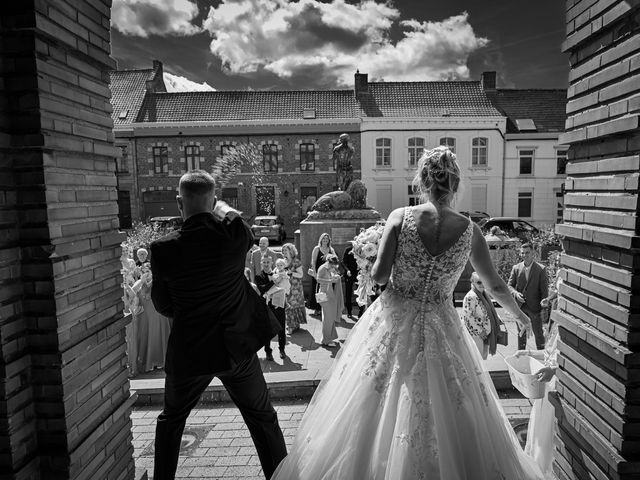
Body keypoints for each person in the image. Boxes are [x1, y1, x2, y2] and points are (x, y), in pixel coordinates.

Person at [272, 146, 541, 480]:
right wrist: (521, 316)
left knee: (373, 400)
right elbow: (497, 286)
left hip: (394, 321)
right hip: (444, 325)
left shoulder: (400, 217)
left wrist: (373, 258)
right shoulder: (470, 231)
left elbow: (382, 276)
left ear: (423, 181)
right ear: (455, 184)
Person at [149, 170, 286, 480]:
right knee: (263, 418)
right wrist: (221, 207)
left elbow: (162, 305)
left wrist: (190, 313)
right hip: (236, 348)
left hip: (191, 350)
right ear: (212, 203)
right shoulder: (233, 238)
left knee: (171, 422)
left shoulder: (163, 249)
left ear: (179, 203)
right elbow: (241, 223)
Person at [517, 321, 559, 477]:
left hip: (554, 389)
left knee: (547, 437)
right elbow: (549, 354)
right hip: (545, 388)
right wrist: (528, 353)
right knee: (538, 436)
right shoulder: (557, 323)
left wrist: (554, 371)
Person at [133, 248, 171, 372]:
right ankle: (147, 362)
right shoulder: (141, 281)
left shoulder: (157, 281)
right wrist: (141, 281)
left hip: (157, 313)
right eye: (144, 271)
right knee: (146, 335)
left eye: (148, 271)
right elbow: (133, 290)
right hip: (145, 315)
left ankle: (162, 361)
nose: (146, 273)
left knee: (157, 335)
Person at [509, 243, 549, 350]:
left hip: (535, 308)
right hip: (520, 307)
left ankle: (542, 357)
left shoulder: (541, 269)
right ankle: (521, 356)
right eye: (522, 253)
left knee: (539, 335)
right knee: (521, 334)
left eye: (527, 252)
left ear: (533, 253)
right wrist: (516, 294)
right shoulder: (516, 268)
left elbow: (544, 291)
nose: (525, 255)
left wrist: (544, 309)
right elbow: (509, 286)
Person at [462, 271, 502, 360]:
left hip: (485, 334)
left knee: (483, 358)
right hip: (476, 335)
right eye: (479, 282)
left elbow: (488, 311)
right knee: (477, 360)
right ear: (472, 282)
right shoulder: (471, 297)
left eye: (484, 281)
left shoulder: (483, 295)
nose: (482, 284)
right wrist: (480, 331)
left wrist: (497, 319)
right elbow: (468, 317)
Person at [255, 256, 288, 361]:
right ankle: (268, 351)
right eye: (264, 262)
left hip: (279, 305)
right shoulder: (258, 276)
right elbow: (263, 289)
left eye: (268, 262)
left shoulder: (278, 273)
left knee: (281, 328)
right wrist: (274, 282)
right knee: (268, 330)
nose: (266, 264)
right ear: (261, 263)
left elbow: (285, 287)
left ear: (271, 263)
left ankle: (282, 349)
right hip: (267, 306)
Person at [315, 254, 343, 347]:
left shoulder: (330, 267)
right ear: (328, 262)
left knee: (328, 317)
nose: (333, 266)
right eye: (332, 264)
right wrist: (331, 281)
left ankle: (328, 337)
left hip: (329, 293)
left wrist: (336, 276)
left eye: (334, 265)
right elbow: (318, 280)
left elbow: (335, 274)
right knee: (328, 318)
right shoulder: (322, 268)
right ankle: (326, 340)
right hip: (324, 294)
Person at [307, 233, 336, 315]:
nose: (325, 240)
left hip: (327, 274)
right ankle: (317, 308)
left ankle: (325, 308)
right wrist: (315, 274)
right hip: (318, 273)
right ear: (321, 239)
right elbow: (313, 262)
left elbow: (335, 260)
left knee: (326, 291)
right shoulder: (317, 248)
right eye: (324, 238)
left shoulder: (331, 249)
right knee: (317, 291)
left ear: (329, 240)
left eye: (327, 238)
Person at [281, 243, 306, 334]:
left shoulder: (296, 261)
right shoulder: (282, 261)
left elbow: (301, 275)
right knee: (288, 305)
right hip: (286, 286)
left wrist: (291, 273)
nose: (284, 252)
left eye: (286, 250)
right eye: (283, 251)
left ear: (291, 251)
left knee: (294, 305)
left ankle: (293, 325)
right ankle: (291, 325)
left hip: (296, 287)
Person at [342, 241, 364, 319]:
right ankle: (349, 312)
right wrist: (347, 270)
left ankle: (361, 312)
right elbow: (343, 262)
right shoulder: (348, 250)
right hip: (349, 274)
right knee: (348, 293)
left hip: (359, 274)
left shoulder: (363, 250)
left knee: (361, 293)